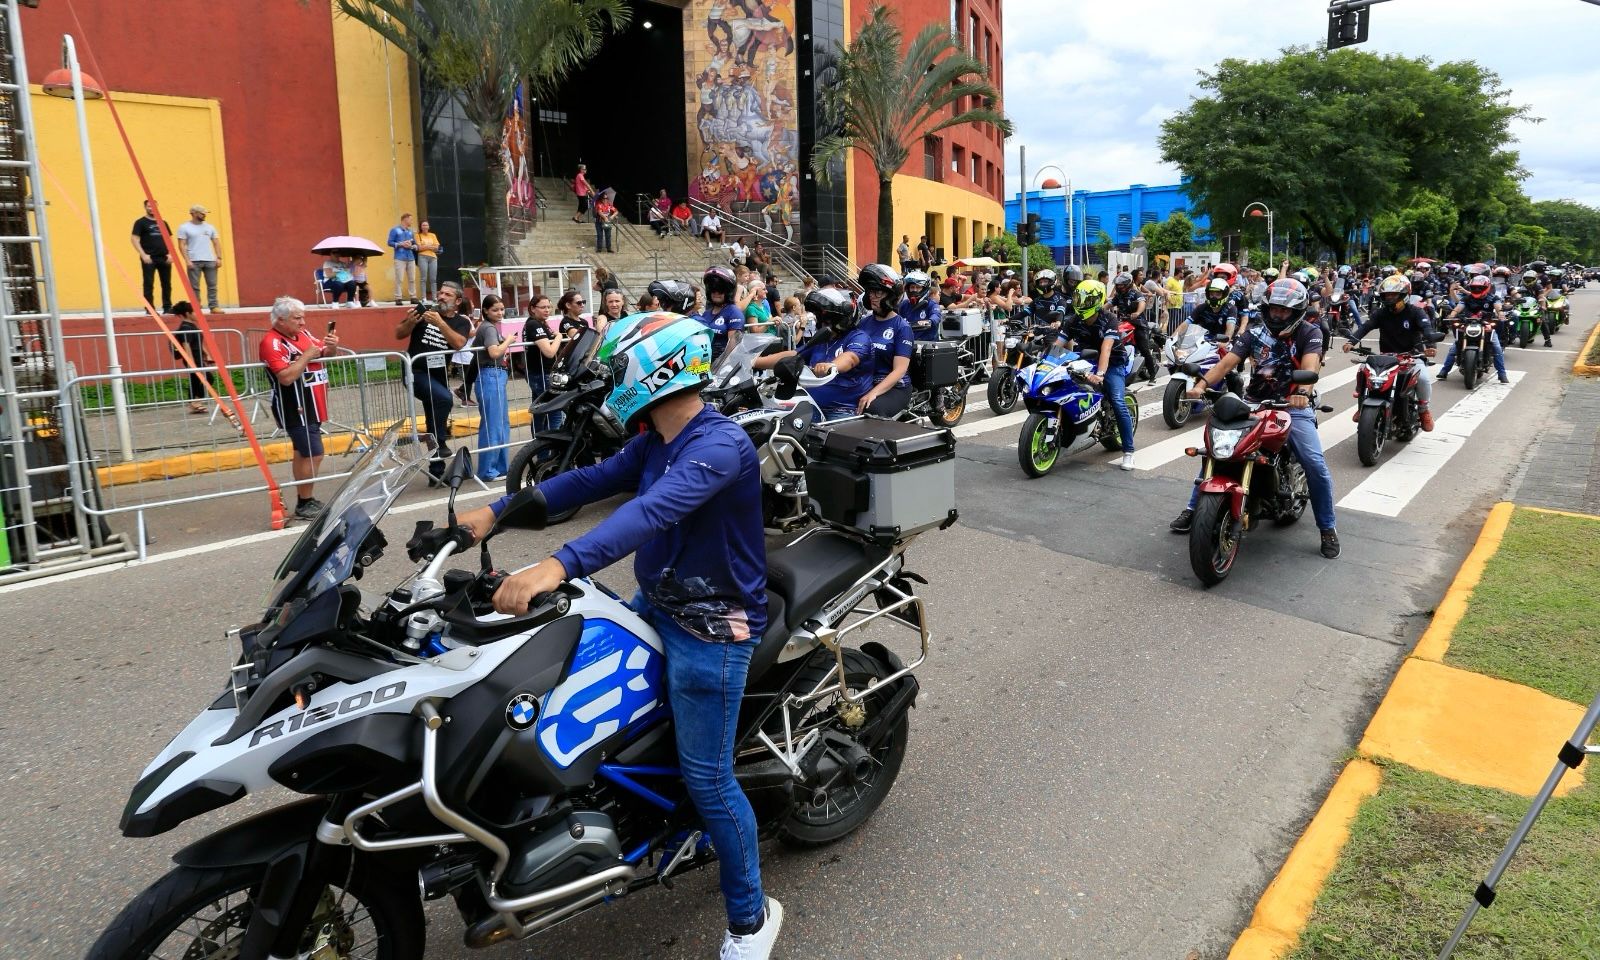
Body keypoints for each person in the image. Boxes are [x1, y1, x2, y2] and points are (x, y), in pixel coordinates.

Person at [452, 313, 782, 960]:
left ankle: (750, 920)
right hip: (657, 600)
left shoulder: (718, 446)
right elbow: (588, 480)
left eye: (618, 367)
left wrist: (556, 565)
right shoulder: (656, 440)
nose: (609, 379)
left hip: (712, 627)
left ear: (656, 371)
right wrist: (495, 512)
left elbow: (647, 513)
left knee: (709, 779)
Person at [1171, 278, 1341, 560]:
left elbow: (1310, 365)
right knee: (1219, 450)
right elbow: (1227, 363)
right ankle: (1193, 509)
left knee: (1315, 464)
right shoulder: (1254, 332)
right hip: (1254, 402)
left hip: (1291, 405)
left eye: (1284, 311)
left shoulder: (1310, 332)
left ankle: (1327, 527)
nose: (1278, 315)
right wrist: (1200, 386)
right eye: (1274, 309)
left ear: (1297, 311)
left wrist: (1302, 392)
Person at [260, 296, 339, 520]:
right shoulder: (272, 342)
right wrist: (305, 356)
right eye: (297, 318)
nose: (303, 322)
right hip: (294, 405)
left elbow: (324, 353)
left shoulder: (303, 334)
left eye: (303, 317)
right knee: (314, 453)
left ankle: (305, 499)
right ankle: (305, 502)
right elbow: (285, 377)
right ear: (281, 320)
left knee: (302, 453)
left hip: (314, 403)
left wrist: (332, 346)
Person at [754, 288, 872, 419]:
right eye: (820, 317)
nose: (821, 322)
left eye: (825, 318)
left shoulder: (859, 337)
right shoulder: (823, 339)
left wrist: (831, 366)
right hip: (811, 405)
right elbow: (794, 354)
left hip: (840, 410)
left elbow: (850, 358)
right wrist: (754, 362)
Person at [1342, 273, 1440, 431]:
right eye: (1386, 295)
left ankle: (1423, 410)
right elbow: (1366, 326)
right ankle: (1363, 407)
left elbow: (1427, 329)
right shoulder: (1381, 313)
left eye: (1393, 294)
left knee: (1422, 378)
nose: (1389, 298)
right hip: (1386, 357)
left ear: (1404, 294)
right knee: (1363, 370)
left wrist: (1431, 346)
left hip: (1412, 356)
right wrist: (1351, 341)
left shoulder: (1416, 312)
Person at [395, 281, 469, 481]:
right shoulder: (425, 312)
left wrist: (440, 323)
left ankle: (436, 471)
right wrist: (411, 322)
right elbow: (399, 333)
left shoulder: (461, 322)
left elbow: (459, 343)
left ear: (458, 301)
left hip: (438, 375)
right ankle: (441, 444)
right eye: (440, 293)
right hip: (416, 372)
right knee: (444, 399)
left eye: (447, 294)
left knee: (433, 418)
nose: (441, 297)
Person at [1074, 280, 1138, 471]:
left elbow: (1106, 349)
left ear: (1097, 301)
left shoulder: (1109, 319)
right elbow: (1059, 343)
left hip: (1113, 364)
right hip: (1085, 361)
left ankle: (1129, 452)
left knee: (1118, 401)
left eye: (1086, 300)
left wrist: (1100, 374)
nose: (1081, 303)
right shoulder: (1074, 319)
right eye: (1079, 299)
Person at [855, 264, 914, 415]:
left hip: (895, 387)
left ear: (890, 295)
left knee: (871, 408)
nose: (872, 296)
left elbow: (900, 370)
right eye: (870, 291)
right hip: (866, 381)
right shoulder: (863, 323)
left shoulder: (902, 327)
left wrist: (873, 393)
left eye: (878, 292)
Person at [471, 295, 518, 481]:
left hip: (494, 376)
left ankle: (499, 467)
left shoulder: (488, 327)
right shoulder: (489, 328)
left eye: (501, 309)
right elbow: (494, 352)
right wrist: (508, 341)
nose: (500, 313)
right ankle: (488, 470)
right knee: (493, 425)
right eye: (495, 310)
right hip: (490, 376)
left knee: (501, 424)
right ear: (485, 311)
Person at [1437, 274, 1510, 384]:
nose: (1477, 290)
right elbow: (1458, 308)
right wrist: (1452, 315)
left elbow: (1498, 307)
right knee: (1454, 348)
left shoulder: (1493, 298)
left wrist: (1501, 314)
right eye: (1474, 287)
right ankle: (1444, 371)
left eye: (1480, 288)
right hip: (1467, 324)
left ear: (1487, 287)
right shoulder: (1466, 298)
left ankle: (1502, 374)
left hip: (1486, 325)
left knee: (1497, 348)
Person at [521, 294, 566, 434]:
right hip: (541, 373)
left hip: (541, 373)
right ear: (533, 309)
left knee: (540, 411)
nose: (547, 310)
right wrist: (559, 337)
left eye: (549, 307)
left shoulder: (540, 323)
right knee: (555, 410)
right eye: (543, 307)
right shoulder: (534, 324)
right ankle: (552, 444)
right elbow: (549, 352)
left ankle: (540, 444)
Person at [1109, 273, 1157, 382]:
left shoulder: (1135, 293)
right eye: (1118, 285)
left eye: (1122, 285)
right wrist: (1098, 311)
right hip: (1123, 323)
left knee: (1144, 349)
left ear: (1128, 284)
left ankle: (1152, 375)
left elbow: (1142, 303)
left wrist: (1137, 312)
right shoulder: (1118, 296)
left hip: (1138, 324)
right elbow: (1109, 304)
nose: (1119, 287)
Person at [169, 301, 214, 416]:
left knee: (196, 380)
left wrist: (207, 355)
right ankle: (195, 402)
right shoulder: (185, 328)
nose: (198, 314)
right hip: (192, 359)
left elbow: (199, 343)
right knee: (207, 378)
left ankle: (195, 402)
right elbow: (186, 345)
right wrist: (191, 362)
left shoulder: (192, 326)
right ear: (187, 313)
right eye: (195, 312)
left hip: (198, 358)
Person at [175, 204, 222, 312]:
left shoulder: (210, 227)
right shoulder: (184, 227)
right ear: (194, 213)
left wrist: (219, 257)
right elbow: (181, 245)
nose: (204, 215)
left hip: (210, 260)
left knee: (212, 285)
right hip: (194, 260)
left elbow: (216, 242)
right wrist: (187, 260)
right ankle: (196, 307)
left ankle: (214, 306)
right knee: (194, 286)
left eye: (205, 213)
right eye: (202, 213)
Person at [130, 200, 173, 312]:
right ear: (145, 207)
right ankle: (150, 308)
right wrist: (143, 254)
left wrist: (170, 254)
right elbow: (134, 239)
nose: (151, 208)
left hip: (164, 257)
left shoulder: (163, 223)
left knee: (166, 283)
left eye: (154, 206)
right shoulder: (140, 222)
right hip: (149, 258)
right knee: (148, 284)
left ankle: (167, 307)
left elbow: (169, 239)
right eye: (149, 206)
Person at [1174, 278, 1240, 344]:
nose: (1214, 297)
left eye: (1218, 294)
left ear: (1224, 295)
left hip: (1221, 343)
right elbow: (1185, 323)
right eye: (1211, 294)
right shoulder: (1201, 307)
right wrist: (1172, 338)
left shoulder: (1230, 308)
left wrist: (1225, 341)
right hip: (1202, 343)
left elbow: (1230, 326)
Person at [698, 265, 745, 356]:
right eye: (713, 290)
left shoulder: (734, 313)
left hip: (722, 362)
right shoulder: (706, 313)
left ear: (728, 292)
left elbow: (733, 348)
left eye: (720, 290)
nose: (716, 293)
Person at [898, 269, 942, 342]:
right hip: (907, 343)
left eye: (918, 287)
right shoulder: (904, 304)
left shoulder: (932, 305)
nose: (914, 290)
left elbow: (936, 317)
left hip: (927, 344)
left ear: (924, 289)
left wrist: (928, 322)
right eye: (912, 287)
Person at [388, 213, 418, 303]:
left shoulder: (410, 232)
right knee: (399, 279)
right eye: (410, 219)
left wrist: (412, 246)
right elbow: (389, 242)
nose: (411, 221)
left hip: (411, 257)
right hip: (399, 257)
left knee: (412, 279)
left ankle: (413, 297)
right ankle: (398, 298)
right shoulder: (395, 230)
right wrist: (401, 244)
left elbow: (415, 244)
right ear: (405, 219)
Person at [416, 220, 443, 299]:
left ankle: (434, 297)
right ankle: (424, 298)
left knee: (433, 279)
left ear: (429, 227)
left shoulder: (432, 235)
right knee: (423, 278)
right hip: (422, 256)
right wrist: (430, 246)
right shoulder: (418, 235)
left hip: (433, 257)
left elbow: (437, 248)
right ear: (421, 227)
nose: (425, 227)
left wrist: (426, 246)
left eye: (426, 225)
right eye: (423, 225)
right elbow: (419, 248)